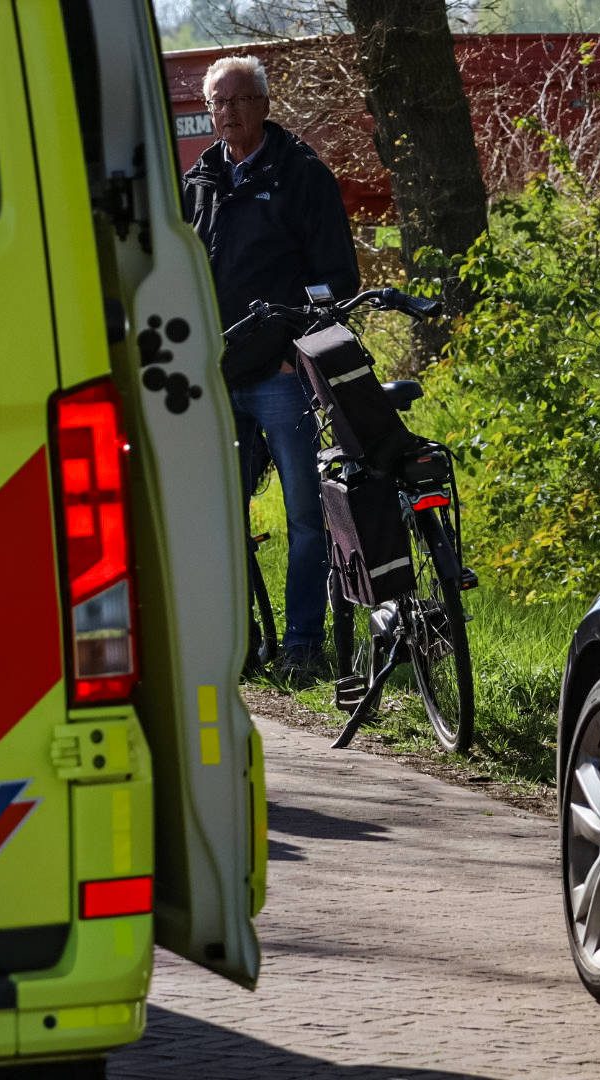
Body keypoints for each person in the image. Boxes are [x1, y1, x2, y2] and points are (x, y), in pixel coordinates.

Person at [182, 55, 360, 684]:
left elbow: (336, 277)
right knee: (216, 516)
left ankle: (303, 644)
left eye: (237, 101)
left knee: (306, 515)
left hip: (281, 378)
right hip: (213, 377)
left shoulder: (301, 175)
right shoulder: (199, 181)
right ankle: (242, 641)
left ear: (263, 104)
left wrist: (295, 351)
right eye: (216, 103)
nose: (226, 113)